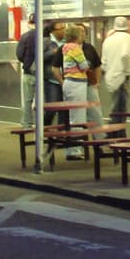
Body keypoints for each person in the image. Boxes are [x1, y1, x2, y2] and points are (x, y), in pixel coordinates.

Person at [59, 24, 91, 160]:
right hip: (77, 83)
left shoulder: (65, 48)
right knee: (78, 117)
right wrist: (87, 63)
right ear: (76, 36)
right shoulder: (76, 48)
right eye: (80, 34)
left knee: (71, 117)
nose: (83, 36)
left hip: (68, 82)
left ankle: (72, 148)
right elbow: (84, 66)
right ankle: (75, 150)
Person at [100, 16, 130, 124]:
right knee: (121, 110)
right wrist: (128, 73)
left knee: (115, 107)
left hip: (110, 77)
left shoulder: (108, 39)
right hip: (122, 78)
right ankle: (116, 135)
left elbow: (103, 62)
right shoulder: (127, 37)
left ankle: (113, 134)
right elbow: (125, 56)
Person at [15, 16, 39, 128]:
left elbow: (19, 55)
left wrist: (27, 61)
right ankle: (42, 124)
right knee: (43, 100)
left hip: (29, 72)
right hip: (43, 75)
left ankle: (27, 123)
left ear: (30, 23)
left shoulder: (25, 36)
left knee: (27, 100)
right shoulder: (46, 36)